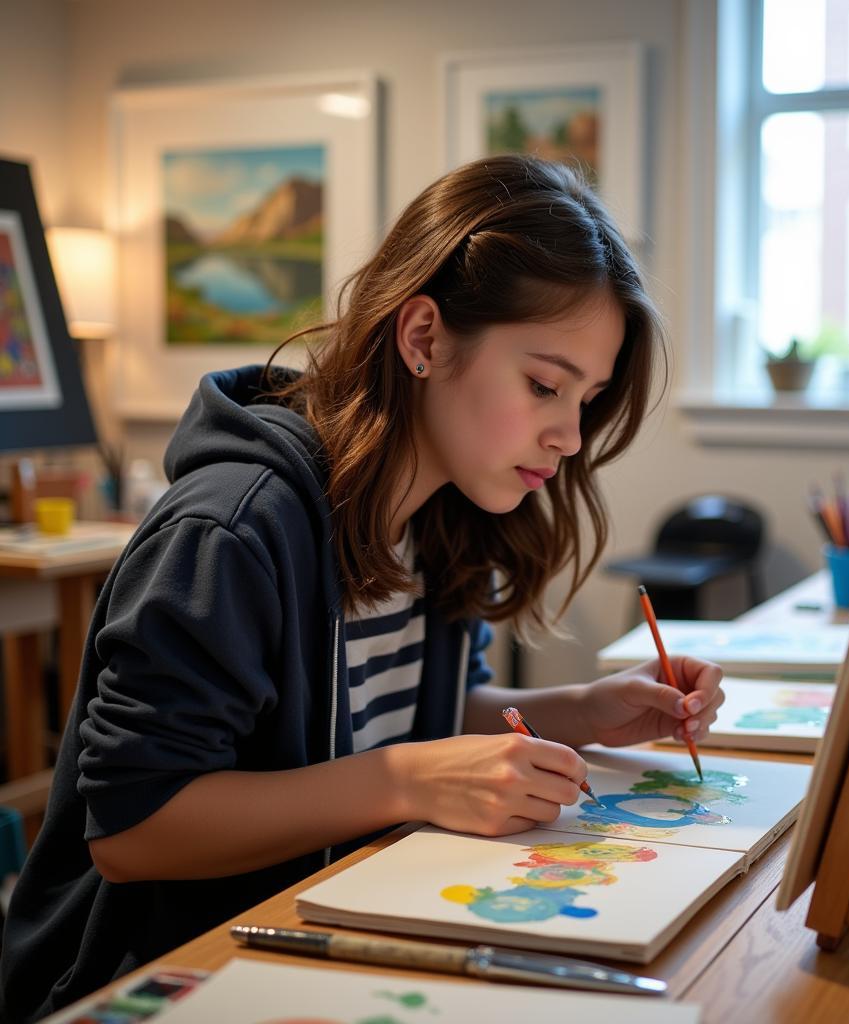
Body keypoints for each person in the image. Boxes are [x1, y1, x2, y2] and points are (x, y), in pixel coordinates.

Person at [0, 154, 724, 1020]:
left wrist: (582, 706)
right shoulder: (234, 528)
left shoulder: (446, 516)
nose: (570, 435)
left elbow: (400, 713)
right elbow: (133, 829)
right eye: (544, 386)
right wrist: (405, 782)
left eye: (587, 400)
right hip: (151, 974)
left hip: (320, 934)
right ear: (422, 338)